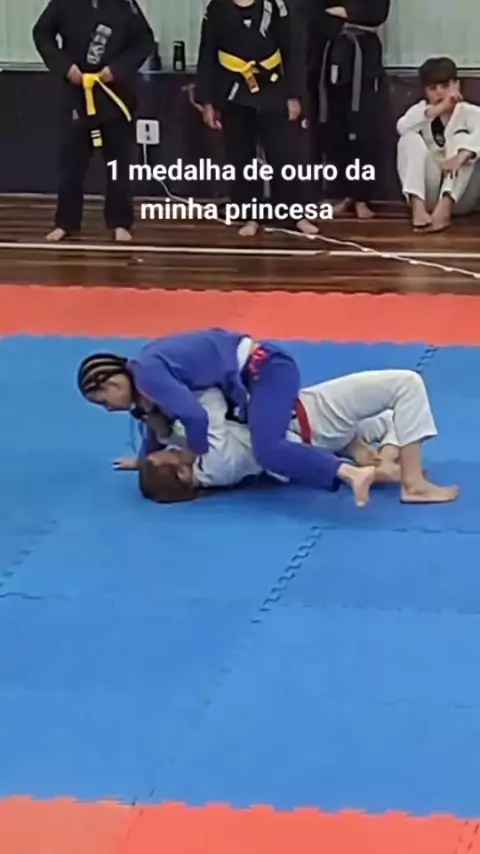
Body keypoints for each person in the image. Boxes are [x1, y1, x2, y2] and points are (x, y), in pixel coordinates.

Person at [77, 330, 376, 507]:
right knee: (283, 436)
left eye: (104, 401)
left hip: (266, 369)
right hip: (248, 383)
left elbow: (196, 417)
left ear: (113, 384)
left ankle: (349, 473)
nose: (108, 409)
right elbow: (155, 427)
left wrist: (193, 450)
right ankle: (366, 447)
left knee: (269, 449)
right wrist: (144, 460)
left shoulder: (149, 376)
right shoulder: (145, 380)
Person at [129, 371, 459, 505]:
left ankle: (380, 460)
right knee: (406, 384)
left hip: (312, 439)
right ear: (182, 473)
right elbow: (209, 400)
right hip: (312, 417)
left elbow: (170, 433)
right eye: (171, 454)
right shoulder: (213, 458)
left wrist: (147, 432)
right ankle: (413, 484)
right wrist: (167, 380)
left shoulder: (206, 467)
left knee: (393, 422)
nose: (175, 448)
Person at [33, 0, 155, 243]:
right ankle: (66, 222)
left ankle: (120, 222)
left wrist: (117, 69)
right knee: (71, 165)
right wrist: (65, 67)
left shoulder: (124, 4)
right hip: (76, 94)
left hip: (114, 94)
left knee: (118, 163)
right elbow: (42, 33)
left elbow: (144, 41)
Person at [195, 0, 318, 237]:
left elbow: (292, 50)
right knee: (241, 156)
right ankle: (250, 215)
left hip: (272, 85)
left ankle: (296, 214)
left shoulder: (276, 6)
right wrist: (208, 101)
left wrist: (294, 95)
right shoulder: (217, 8)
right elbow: (207, 53)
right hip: (233, 88)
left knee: (283, 153)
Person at [307, 0, 390, 219]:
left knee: (363, 129)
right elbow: (313, 11)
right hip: (329, 55)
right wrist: (342, 15)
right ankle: (339, 193)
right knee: (333, 127)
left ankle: (361, 197)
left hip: (363, 58)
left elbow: (376, 13)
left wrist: (344, 13)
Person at [396, 57, 480, 232]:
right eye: (433, 88)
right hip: (430, 194)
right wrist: (439, 109)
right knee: (408, 138)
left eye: (445, 86)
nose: (440, 93)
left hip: (461, 196)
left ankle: (444, 211)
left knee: (461, 139)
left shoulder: (471, 112)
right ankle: (418, 209)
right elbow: (402, 127)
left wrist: (461, 156)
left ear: (456, 85)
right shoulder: (421, 111)